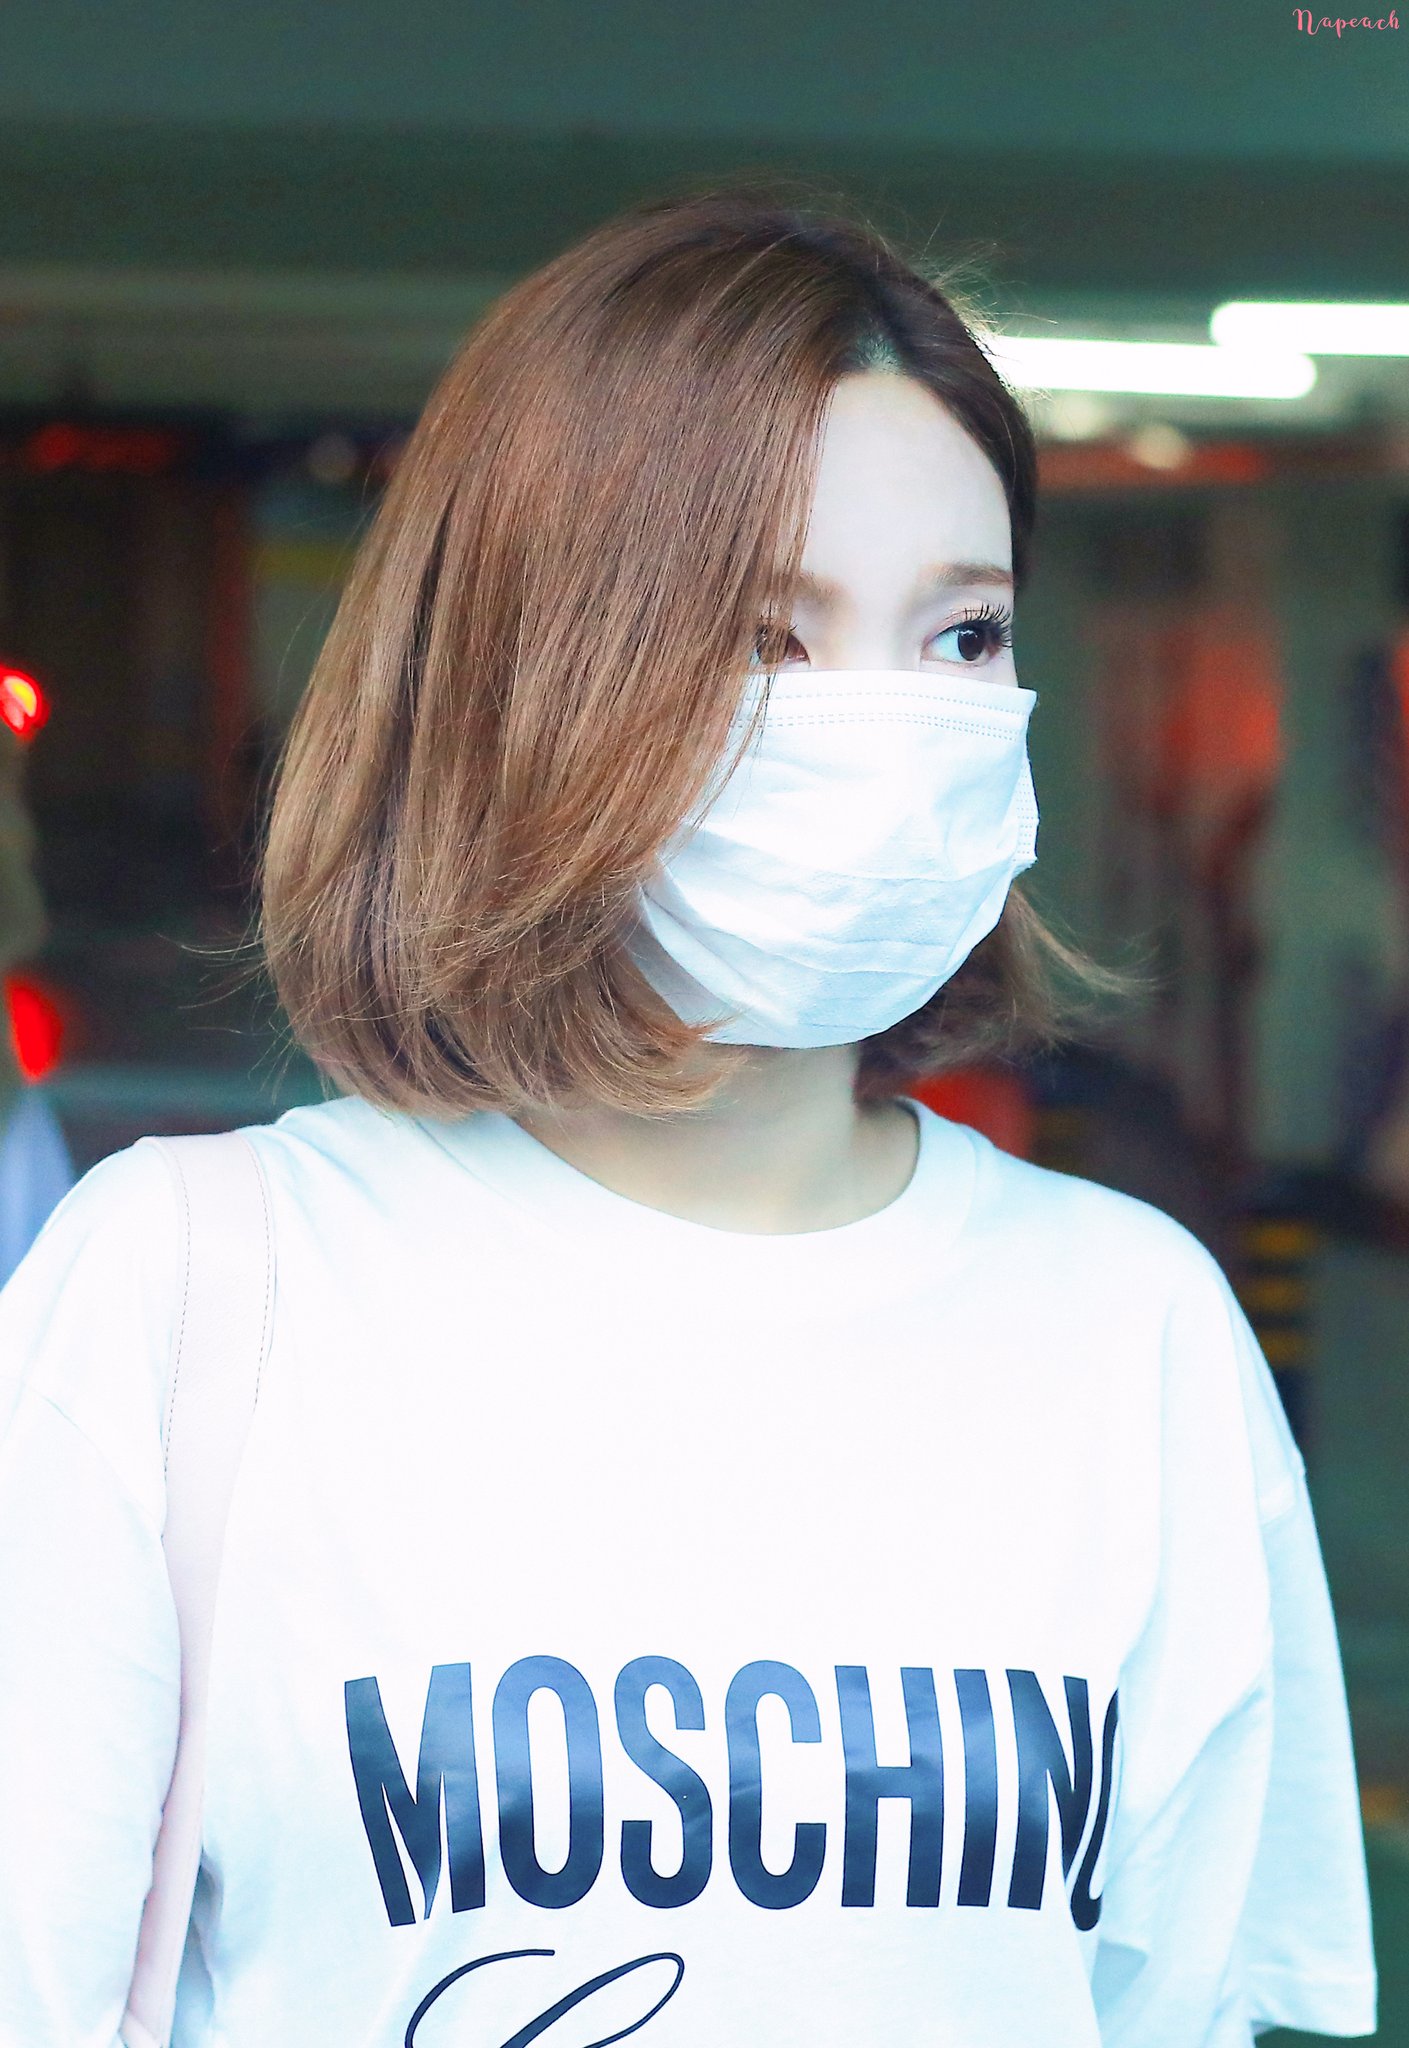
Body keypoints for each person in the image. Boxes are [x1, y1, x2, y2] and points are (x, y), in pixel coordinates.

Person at [0, 188, 1376, 2047]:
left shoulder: (1131, 1327)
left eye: (961, 634)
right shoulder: (187, 1293)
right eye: (766, 636)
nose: (884, 725)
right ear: (520, 684)